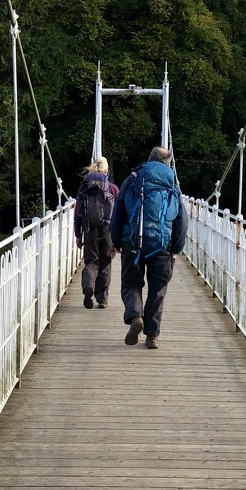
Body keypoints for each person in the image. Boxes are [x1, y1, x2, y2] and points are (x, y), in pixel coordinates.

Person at [109, 146, 188, 349]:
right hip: (163, 245)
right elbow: (181, 219)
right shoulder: (172, 184)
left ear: (149, 159)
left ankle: (135, 315)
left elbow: (118, 212)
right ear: (167, 163)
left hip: (133, 241)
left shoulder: (134, 179)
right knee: (158, 289)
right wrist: (176, 248)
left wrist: (117, 241)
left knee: (131, 283)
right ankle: (152, 336)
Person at [74, 156, 119, 309]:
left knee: (91, 261)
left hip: (89, 228)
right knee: (105, 263)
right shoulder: (112, 189)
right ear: (107, 170)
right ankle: (102, 299)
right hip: (108, 230)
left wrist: (78, 235)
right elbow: (119, 215)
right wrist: (120, 239)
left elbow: (78, 213)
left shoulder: (84, 187)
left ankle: (88, 287)